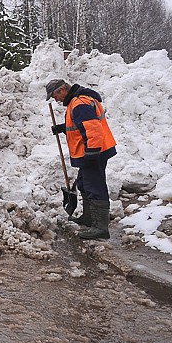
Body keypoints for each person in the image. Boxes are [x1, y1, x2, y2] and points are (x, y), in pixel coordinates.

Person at [46, 78, 117, 239]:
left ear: (62, 90)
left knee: (95, 186)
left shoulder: (80, 103)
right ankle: (89, 217)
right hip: (92, 151)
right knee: (84, 184)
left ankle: (100, 228)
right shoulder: (76, 102)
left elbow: (93, 129)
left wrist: (92, 152)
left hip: (94, 152)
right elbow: (80, 126)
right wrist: (62, 128)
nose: (55, 99)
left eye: (54, 95)